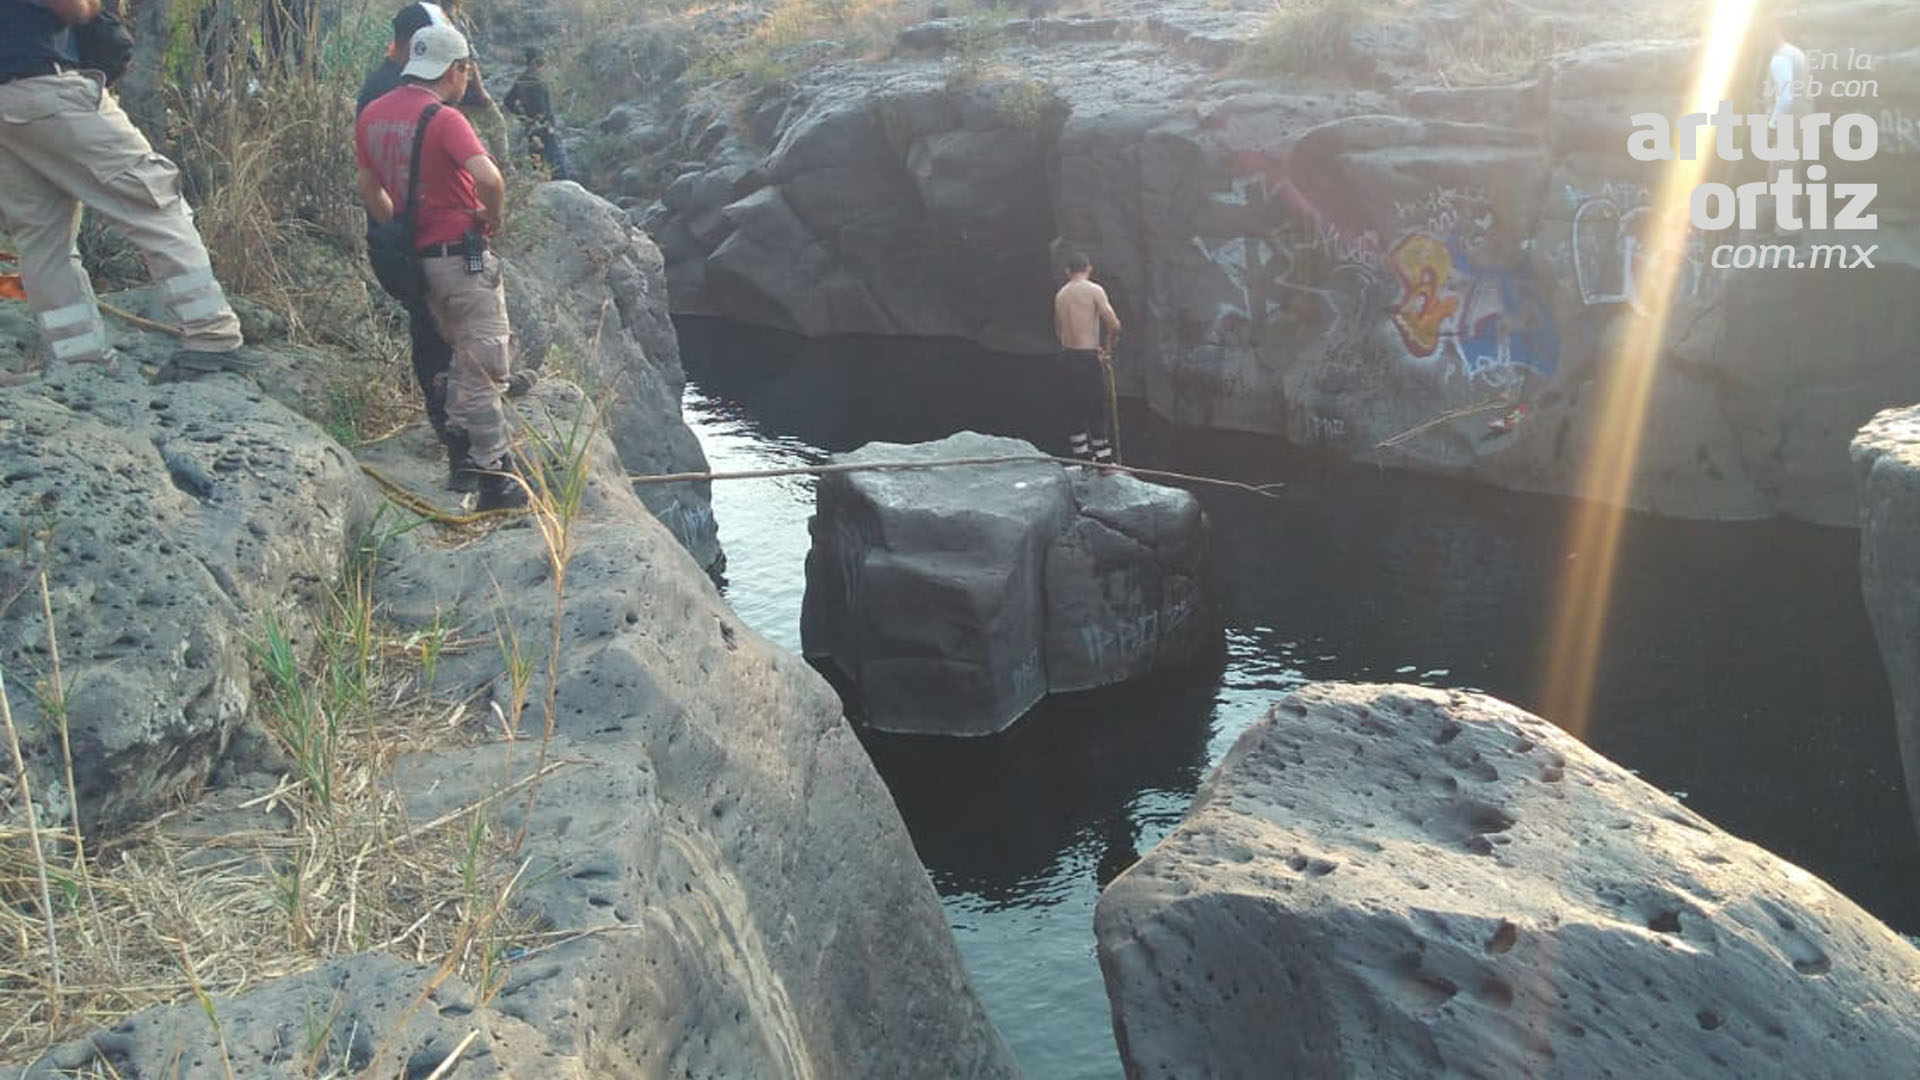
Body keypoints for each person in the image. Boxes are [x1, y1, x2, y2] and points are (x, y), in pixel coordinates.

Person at [0, 0, 262, 383]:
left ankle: (80, 365)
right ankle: (212, 336)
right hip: (47, 86)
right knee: (154, 198)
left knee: (41, 238)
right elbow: (73, 7)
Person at [356, 23, 525, 511]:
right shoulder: (445, 119)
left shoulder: (373, 114)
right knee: (485, 363)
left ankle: (460, 464)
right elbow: (488, 178)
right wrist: (490, 217)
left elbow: (369, 189)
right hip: (459, 258)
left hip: (415, 264)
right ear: (455, 70)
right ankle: (496, 477)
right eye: (466, 72)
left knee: (447, 361)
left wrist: (401, 223)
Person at [1052, 252, 1121, 466]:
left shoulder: (1061, 295)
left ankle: (1082, 456)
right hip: (1088, 357)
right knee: (1097, 406)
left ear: (1067, 272)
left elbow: (1058, 329)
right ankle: (1105, 461)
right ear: (1089, 268)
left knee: (1074, 406)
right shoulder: (1094, 290)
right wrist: (1107, 350)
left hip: (1066, 356)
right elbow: (1115, 325)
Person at [502, 47, 570, 181]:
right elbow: (542, 109)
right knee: (559, 169)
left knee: (538, 168)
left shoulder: (520, 81)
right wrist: (548, 124)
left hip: (531, 130)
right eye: (540, 63)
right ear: (534, 63)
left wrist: (523, 118)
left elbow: (508, 101)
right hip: (545, 130)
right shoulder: (537, 82)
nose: (542, 67)